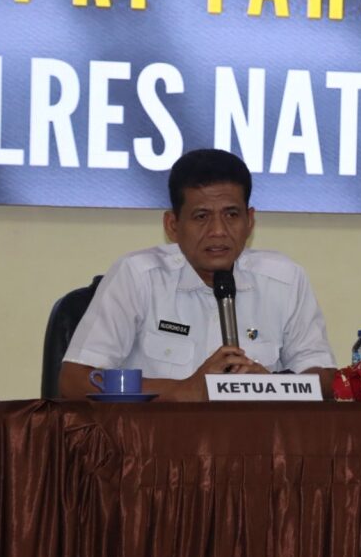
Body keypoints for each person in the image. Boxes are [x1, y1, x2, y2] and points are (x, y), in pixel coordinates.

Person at [59, 149, 336, 400]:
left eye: (231, 215)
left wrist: (271, 386)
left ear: (250, 221)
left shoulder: (285, 280)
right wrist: (185, 389)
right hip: (158, 438)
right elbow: (74, 380)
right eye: (201, 216)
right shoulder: (138, 276)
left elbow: (324, 379)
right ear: (172, 224)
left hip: (253, 438)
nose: (218, 231)